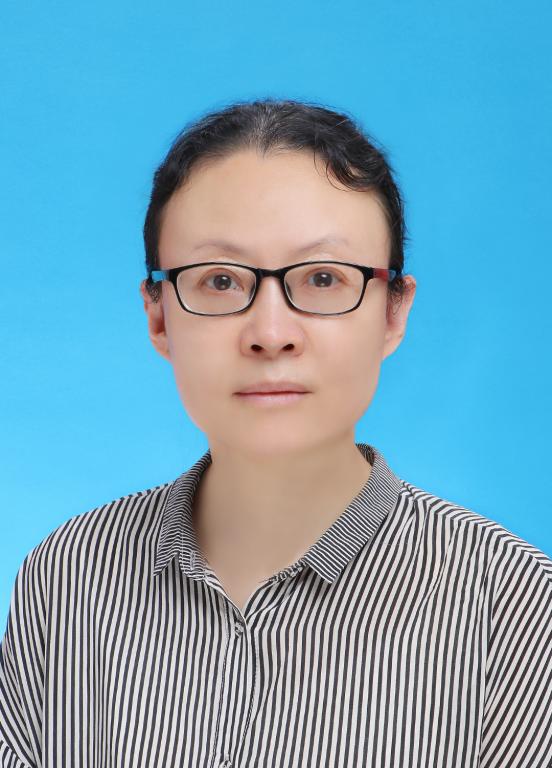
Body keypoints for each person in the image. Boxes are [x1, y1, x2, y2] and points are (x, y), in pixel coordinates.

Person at [1, 98, 551, 768]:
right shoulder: (68, 577)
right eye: (219, 280)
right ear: (158, 317)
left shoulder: (515, 606)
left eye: (322, 278)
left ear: (393, 313)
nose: (270, 333)